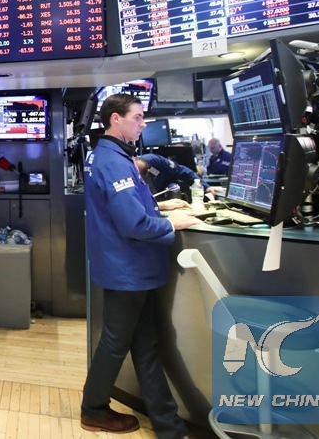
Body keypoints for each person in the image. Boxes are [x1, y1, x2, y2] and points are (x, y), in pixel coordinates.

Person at [82, 93, 199, 437]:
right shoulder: (115, 162)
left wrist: (161, 209)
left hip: (130, 268)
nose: (143, 124)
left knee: (145, 346)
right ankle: (93, 410)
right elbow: (132, 223)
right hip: (127, 269)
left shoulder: (108, 155)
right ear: (115, 119)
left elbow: (125, 206)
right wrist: (171, 224)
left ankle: (168, 426)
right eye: (137, 117)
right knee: (115, 343)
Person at [135, 153, 211, 200]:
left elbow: (181, 171)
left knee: (174, 187)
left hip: (164, 195)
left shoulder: (155, 161)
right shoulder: (129, 173)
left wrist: (206, 187)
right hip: (148, 204)